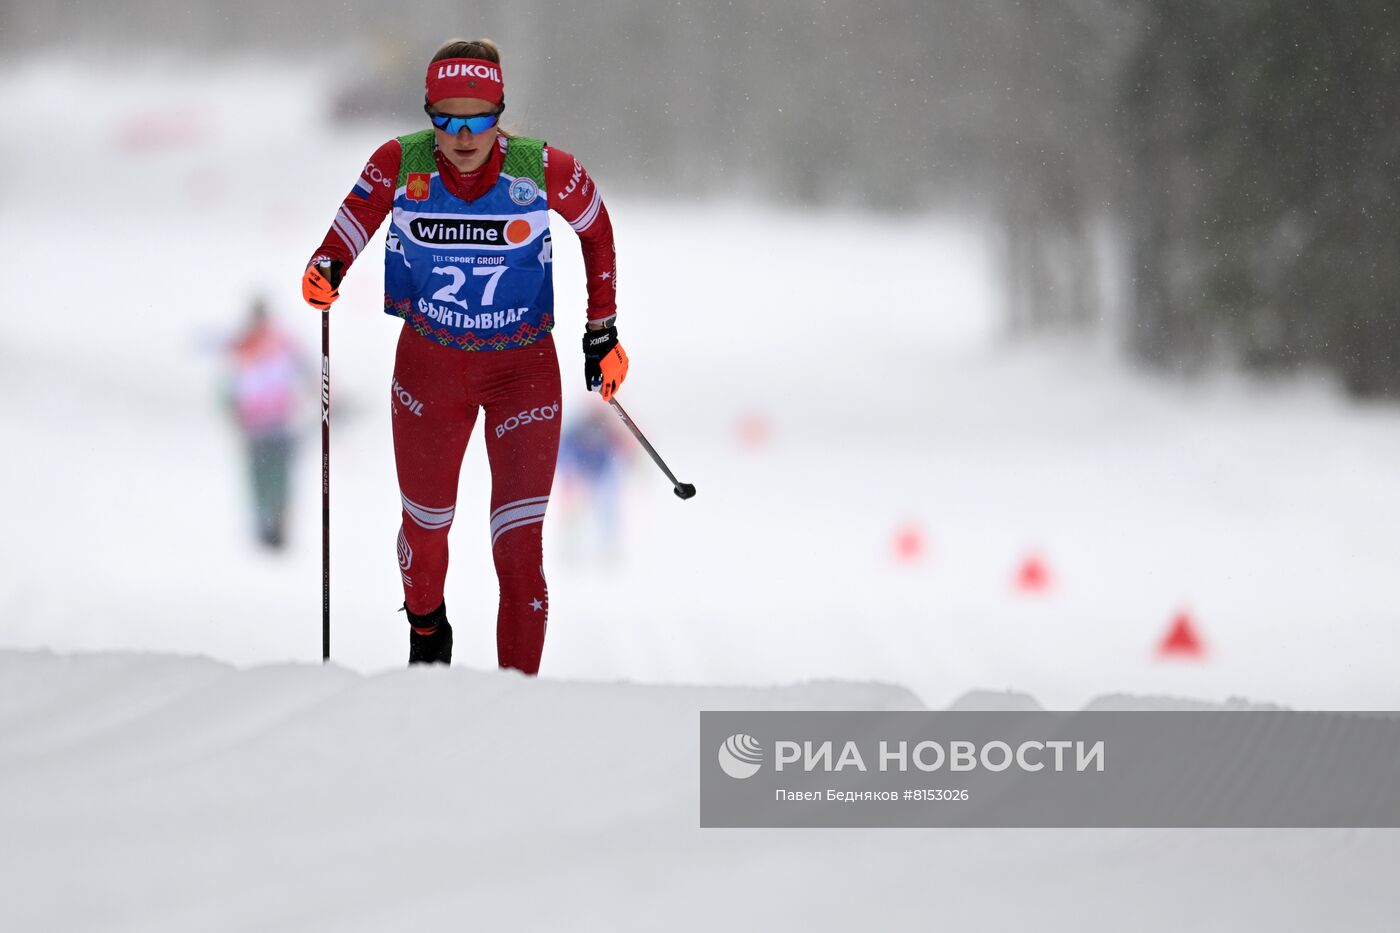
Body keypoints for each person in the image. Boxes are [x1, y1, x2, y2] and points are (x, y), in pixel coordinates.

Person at [302, 38, 628, 672]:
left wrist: (603, 332)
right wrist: (327, 264)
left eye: (478, 117)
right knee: (425, 534)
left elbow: (597, 230)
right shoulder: (400, 161)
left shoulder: (542, 169)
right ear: (429, 114)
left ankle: (517, 696)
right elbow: (353, 220)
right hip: (431, 368)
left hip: (523, 373)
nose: (461, 133)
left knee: (518, 549)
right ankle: (428, 632)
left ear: (499, 110)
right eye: (445, 117)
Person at [225, 297, 308, 550]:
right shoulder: (250, 344)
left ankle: (276, 529)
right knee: (267, 482)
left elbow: (304, 370)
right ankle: (269, 529)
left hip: (274, 425)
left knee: (274, 481)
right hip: (262, 427)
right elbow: (230, 383)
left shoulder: (269, 343)